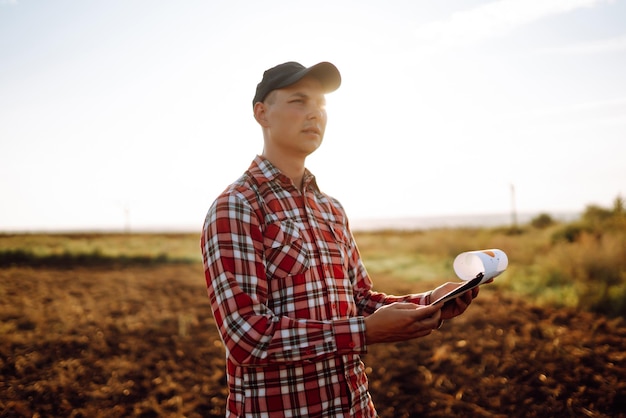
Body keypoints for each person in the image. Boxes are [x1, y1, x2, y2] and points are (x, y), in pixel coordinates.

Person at [200, 61, 480, 417]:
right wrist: (362, 333)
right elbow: (247, 337)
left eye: (321, 104)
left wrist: (429, 302)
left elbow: (358, 301)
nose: (314, 114)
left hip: (356, 408)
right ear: (262, 114)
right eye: (299, 101)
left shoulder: (330, 208)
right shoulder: (237, 206)